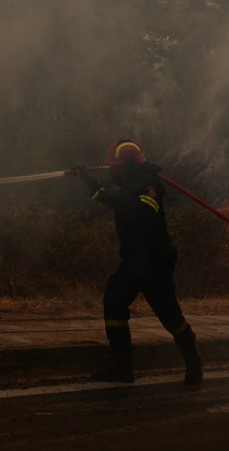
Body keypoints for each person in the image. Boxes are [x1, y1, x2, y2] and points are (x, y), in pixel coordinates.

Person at [72, 139, 203, 385]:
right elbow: (104, 196)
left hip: (154, 261)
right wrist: (85, 178)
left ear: (130, 164)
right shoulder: (126, 184)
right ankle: (122, 366)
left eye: (117, 166)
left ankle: (193, 360)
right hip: (133, 260)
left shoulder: (149, 183)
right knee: (113, 303)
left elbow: (144, 208)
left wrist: (121, 194)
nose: (113, 170)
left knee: (169, 316)